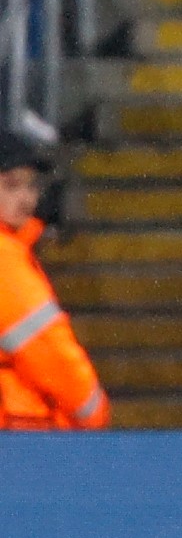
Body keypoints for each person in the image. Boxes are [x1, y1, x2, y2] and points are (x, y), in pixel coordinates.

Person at [0, 133, 108, 430]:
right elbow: (49, 351)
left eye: (31, 186)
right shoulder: (5, 259)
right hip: (19, 438)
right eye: (10, 184)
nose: (27, 199)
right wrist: (92, 411)